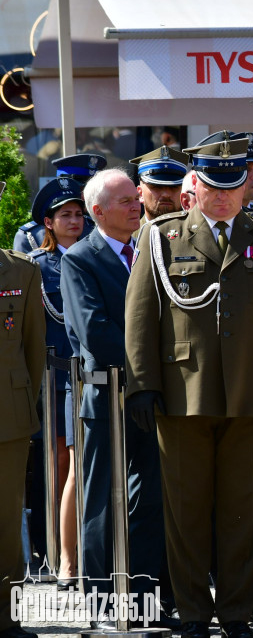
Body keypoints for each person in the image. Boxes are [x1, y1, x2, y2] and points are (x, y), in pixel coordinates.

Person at [124, 138, 253, 638]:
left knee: (243, 512)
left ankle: (236, 612)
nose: (224, 197)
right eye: (214, 186)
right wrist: (141, 384)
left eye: (233, 186)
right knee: (185, 511)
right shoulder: (161, 237)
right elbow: (141, 314)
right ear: (196, 187)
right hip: (184, 393)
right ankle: (191, 613)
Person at [61, 168, 164, 631]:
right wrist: (151, 369)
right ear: (97, 212)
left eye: (134, 197)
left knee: (152, 498)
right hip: (107, 396)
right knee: (101, 500)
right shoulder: (81, 259)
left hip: (154, 396)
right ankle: (102, 602)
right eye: (123, 200)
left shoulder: (154, 247)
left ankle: (146, 596)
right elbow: (94, 332)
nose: (134, 205)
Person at [26, 177, 86, 588]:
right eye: (65, 214)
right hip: (54, 376)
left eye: (79, 213)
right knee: (60, 464)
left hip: (86, 372)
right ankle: (58, 554)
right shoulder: (35, 265)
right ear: (48, 223)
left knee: (79, 465)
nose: (74, 220)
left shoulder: (93, 257)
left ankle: (74, 552)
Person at [0, 180, 45, 638]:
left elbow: (33, 351)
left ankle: (5, 615)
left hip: (6, 417)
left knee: (6, 521)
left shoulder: (21, 272)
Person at [14, 153, 104, 253]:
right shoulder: (30, 235)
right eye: (83, 190)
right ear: (65, 186)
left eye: (92, 191)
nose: (88, 196)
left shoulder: (96, 226)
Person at [130, 145, 187, 222]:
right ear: (140, 193)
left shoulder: (202, 233)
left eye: (174, 187)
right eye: (157, 187)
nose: (166, 194)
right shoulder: (128, 233)